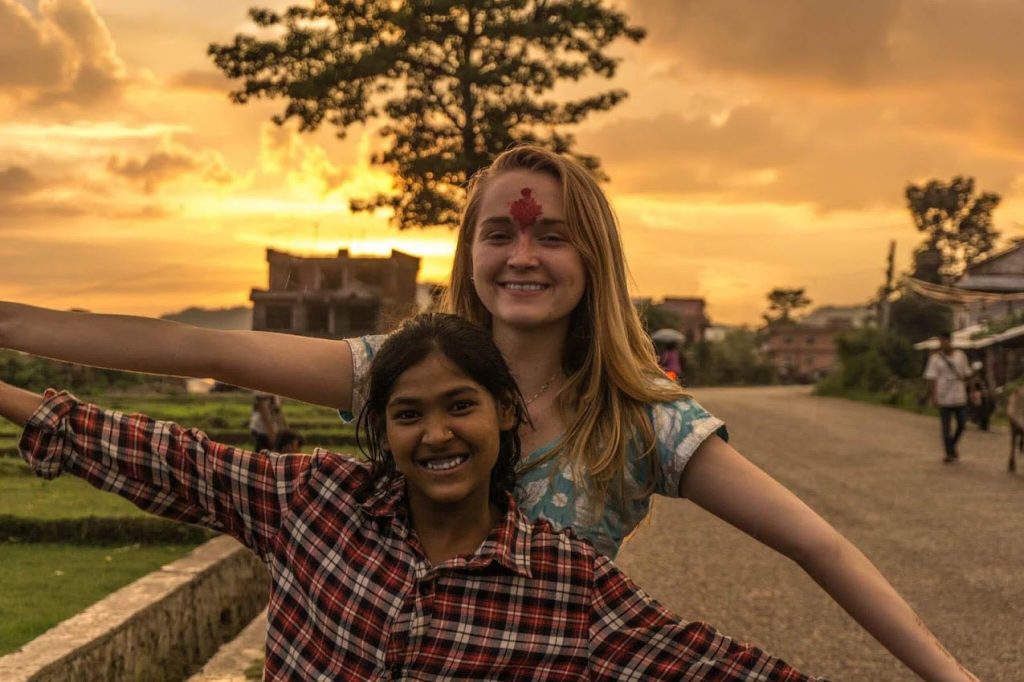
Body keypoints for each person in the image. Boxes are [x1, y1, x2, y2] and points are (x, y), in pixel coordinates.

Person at [0, 145, 977, 679]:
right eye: (498, 235)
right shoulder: (397, 370)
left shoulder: (642, 424)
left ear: (593, 258)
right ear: (466, 251)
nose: (522, 255)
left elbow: (818, 548)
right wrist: (11, 324)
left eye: (551, 236)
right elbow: (198, 351)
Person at [0, 313, 822, 680]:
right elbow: (150, 452)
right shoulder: (315, 504)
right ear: (380, 428)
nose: (436, 436)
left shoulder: (567, 587)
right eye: (408, 414)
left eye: (459, 406)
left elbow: (718, 668)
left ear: (505, 414)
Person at [923, 332, 973, 462]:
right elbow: (932, 378)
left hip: (959, 395)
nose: (941, 344)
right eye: (940, 341)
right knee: (946, 428)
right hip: (943, 396)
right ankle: (949, 453)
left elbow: (967, 373)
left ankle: (952, 446)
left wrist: (971, 388)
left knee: (962, 424)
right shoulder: (935, 358)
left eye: (943, 341)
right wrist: (933, 396)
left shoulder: (961, 356)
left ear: (949, 341)